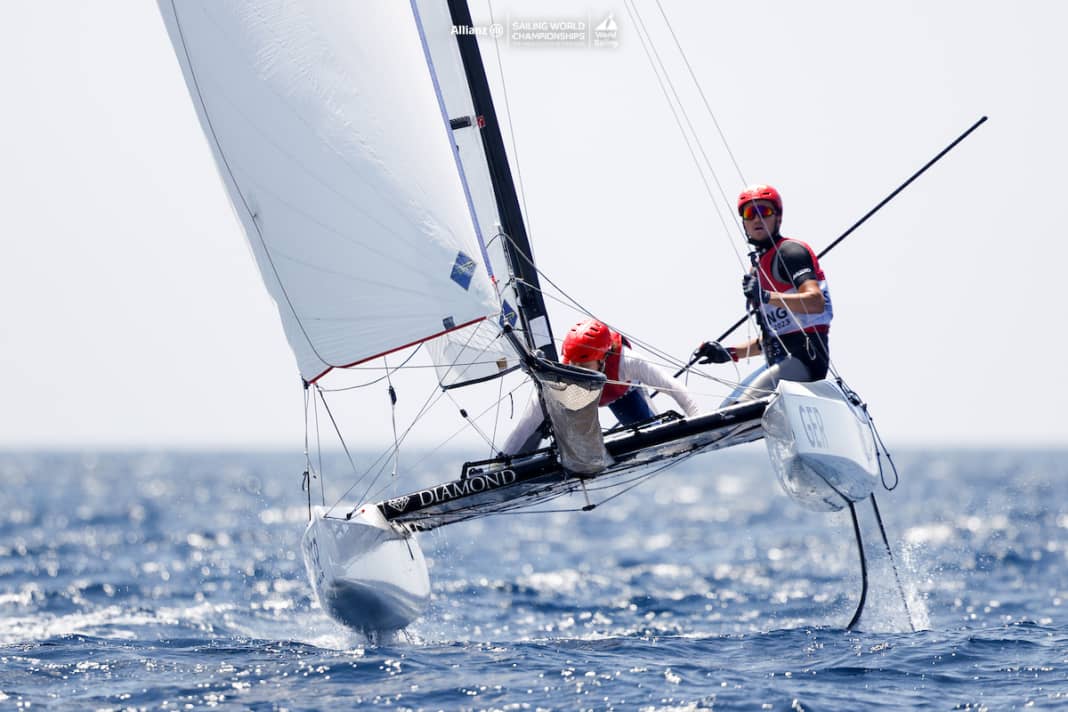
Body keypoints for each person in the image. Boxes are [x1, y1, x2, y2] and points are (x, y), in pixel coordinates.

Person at [694, 184, 833, 400]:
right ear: (744, 223)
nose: (757, 219)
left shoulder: (790, 252)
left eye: (765, 212)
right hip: (778, 360)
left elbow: (815, 302)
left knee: (735, 411)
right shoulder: (757, 267)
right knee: (726, 408)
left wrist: (766, 296)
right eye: (750, 214)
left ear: (778, 217)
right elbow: (774, 335)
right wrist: (728, 353)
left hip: (805, 359)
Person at [503, 318, 700, 455]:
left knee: (654, 438)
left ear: (604, 359)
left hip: (621, 396)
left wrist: (697, 420)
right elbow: (526, 424)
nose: (578, 371)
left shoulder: (627, 362)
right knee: (559, 426)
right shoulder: (561, 373)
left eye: (585, 366)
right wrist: (498, 467)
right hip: (579, 401)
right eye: (574, 365)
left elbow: (672, 386)